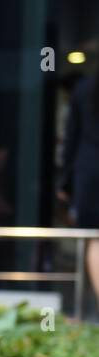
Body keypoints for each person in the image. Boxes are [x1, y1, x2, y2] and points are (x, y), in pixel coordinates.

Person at [60, 73, 99, 313]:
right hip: (88, 174)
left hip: (90, 174)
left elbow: (70, 140)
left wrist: (65, 184)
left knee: (95, 240)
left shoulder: (84, 89)